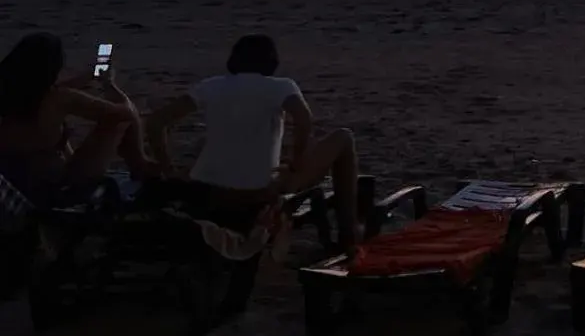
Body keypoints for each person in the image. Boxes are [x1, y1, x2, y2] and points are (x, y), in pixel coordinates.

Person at [147, 35, 362, 250]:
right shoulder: (281, 86)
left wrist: (169, 169)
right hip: (255, 195)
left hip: (207, 192)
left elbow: (157, 122)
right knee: (343, 137)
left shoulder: (211, 86)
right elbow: (303, 118)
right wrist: (296, 163)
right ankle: (348, 235)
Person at [0, 33, 153, 203]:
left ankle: (140, 164)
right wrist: (109, 84)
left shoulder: (11, 94)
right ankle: (140, 165)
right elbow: (125, 113)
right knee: (118, 120)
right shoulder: (60, 98)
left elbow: (45, 92)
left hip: (14, 183)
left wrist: (86, 78)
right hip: (58, 187)